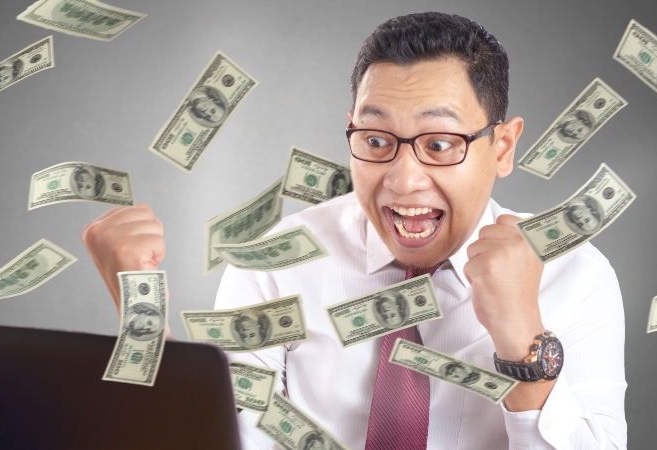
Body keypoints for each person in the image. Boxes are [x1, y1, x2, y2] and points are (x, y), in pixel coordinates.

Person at [80, 12, 626, 449]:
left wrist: (521, 338)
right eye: (375, 139)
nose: (403, 180)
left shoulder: (577, 274)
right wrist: (142, 318)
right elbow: (222, 440)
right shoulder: (273, 263)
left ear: (501, 147)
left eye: (439, 144)